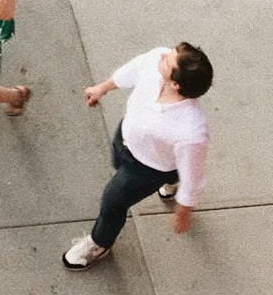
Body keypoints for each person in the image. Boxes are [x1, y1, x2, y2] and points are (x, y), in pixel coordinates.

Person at [62, 42, 212, 271]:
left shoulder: (191, 130)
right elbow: (133, 69)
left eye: (168, 60)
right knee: (155, 163)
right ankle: (172, 180)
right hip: (126, 139)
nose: (161, 54)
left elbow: (193, 175)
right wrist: (102, 88)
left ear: (175, 84)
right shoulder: (156, 62)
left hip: (147, 169)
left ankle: (99, 243)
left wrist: (183, 212)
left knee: (113, 201)